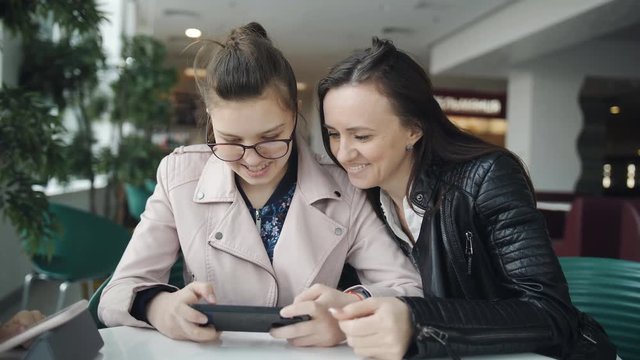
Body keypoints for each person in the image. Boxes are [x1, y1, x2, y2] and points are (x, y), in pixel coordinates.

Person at [98, 24, 421, 346]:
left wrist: (346, 311)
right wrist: (158, 306)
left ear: (295, 112)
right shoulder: (179, 175)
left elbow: (406, 288)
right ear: (211, 116)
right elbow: (119, 292)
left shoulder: (344, 184)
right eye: (231, 140)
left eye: (270, 138)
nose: (253, 160)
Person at [311, 37, 616, 359]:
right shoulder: (363, 193)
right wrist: (354, 304)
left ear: (414, 129)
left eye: (362, 136)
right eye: (333, 134)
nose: (343, 153)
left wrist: (417, 321)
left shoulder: (487, 177)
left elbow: (550, 314)